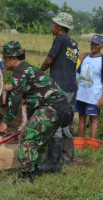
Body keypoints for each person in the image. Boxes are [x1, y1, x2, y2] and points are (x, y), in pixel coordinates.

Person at [0, 41, 73, 183]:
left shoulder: (19, 73)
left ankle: (26, 177)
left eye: (5, 58)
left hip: (51, 107)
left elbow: (14, 101)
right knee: (38, 140)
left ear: (14, 59)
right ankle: (34, 169)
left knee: (27, 137)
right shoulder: (30, 69)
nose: (4, 61)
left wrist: (4, 122)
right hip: (62, 108)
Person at [40, 12, 78, 169]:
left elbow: (50, 59)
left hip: (59, 87)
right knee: (65, 124)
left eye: (54, 24)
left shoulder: (60, 39)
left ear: (60, 27)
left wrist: (38, 72)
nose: (52, 26)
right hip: (71, 88)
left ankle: (52, 163)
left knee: (54, 122)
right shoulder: (73, 43)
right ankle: (68, 160)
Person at [75, 35, 103, 139]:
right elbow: (79, 75)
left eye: (96, 44)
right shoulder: (85, 57)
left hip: (94, 96)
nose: (93, 46)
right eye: (92, 43)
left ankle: (91, 143)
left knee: (93, 118)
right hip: (81, 94)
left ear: (101, 46)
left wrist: (102, 98)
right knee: (81, 117)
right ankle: (80, 141)